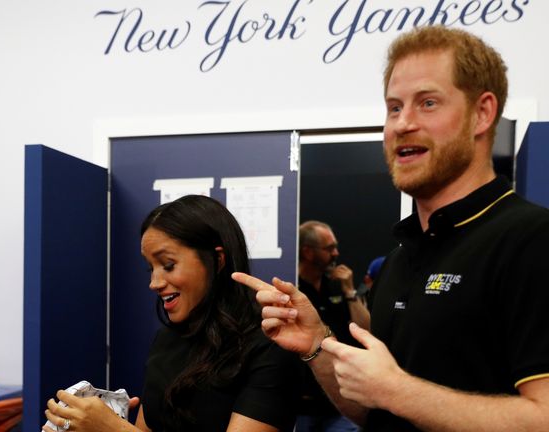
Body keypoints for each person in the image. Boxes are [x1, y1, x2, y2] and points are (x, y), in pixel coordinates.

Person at [233, 25, 549, 431]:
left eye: (428, 103)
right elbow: (376, 411)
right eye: (394, 107)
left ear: (482, 113)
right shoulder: (401, 260)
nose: (402, 124)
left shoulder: (531, 240)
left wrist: (397, 390)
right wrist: (316, 344)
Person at [43, 195, 301, 432]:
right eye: (150, 269)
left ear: (217, 259)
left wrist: (115, 429)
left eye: (168, 265)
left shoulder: (269, 341)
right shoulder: (166, 340)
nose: (155, 283)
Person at [294, 221, 367, 432]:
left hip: (341, 403)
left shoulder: (337, 284)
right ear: (307, 252)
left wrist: (350, 291)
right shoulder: (293, 287)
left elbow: (366, 329)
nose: (336, 253)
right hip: (301, 404)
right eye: (329, 248)